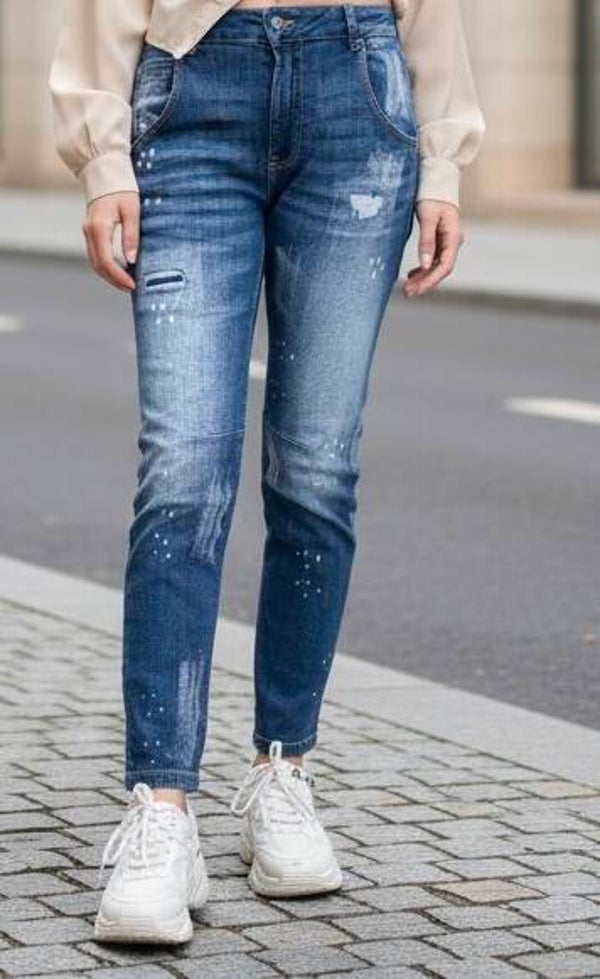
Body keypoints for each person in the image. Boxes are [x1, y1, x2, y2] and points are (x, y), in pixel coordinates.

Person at [49, 0, 485, 945]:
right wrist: (100, 155)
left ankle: (283, 769)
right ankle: (163, 805)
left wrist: (444, 161)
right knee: (182, 466)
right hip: (191, 90)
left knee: (316, 467)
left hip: (358, 94)